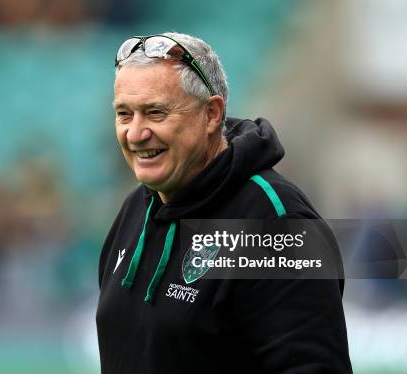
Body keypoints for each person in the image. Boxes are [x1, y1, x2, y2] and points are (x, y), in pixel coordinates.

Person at [96, 32, 352, 373]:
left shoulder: (274, 222)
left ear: (211, 114)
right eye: (124, 115)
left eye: (155, 113)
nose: (136, 133)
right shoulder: (136, 208)